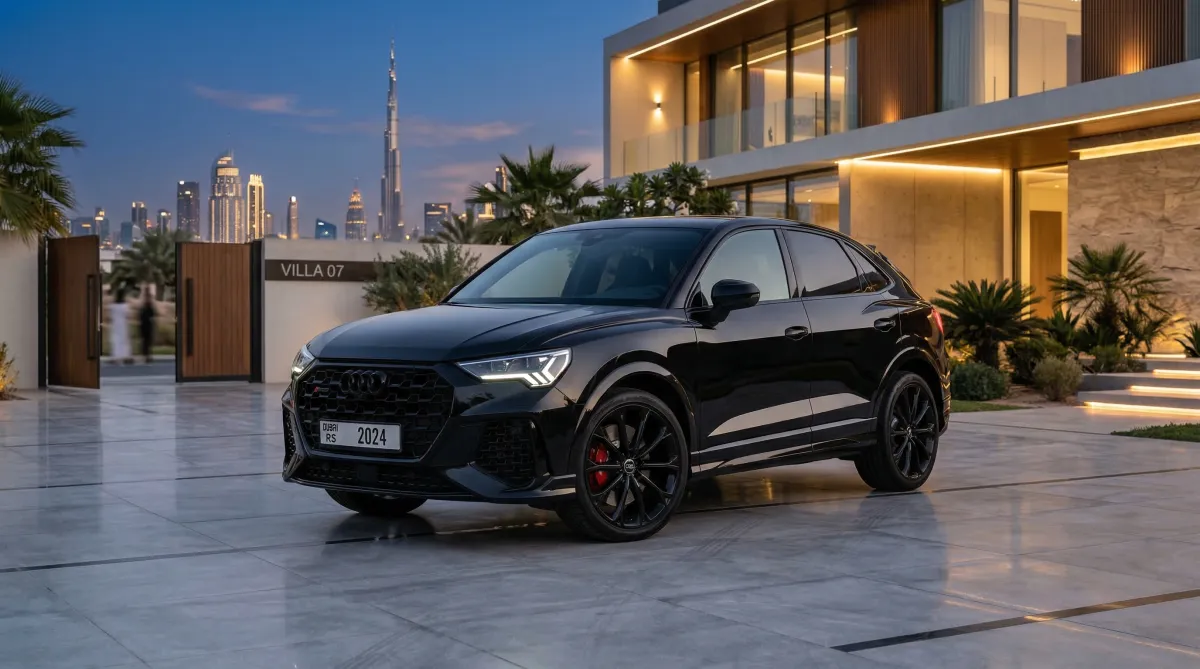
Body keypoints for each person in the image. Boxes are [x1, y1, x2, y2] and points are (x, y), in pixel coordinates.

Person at [108, 291, 132, 364]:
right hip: (123, 324)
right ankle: (126, 356)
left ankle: (116, 356)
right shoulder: (125, 306)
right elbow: (128, 315)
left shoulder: (112, 306)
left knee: (116, 340)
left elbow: (110, 316)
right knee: (124, 341)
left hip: (115, 325)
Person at [138, 288, 156, 364]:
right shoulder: (147, 305)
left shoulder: (145, 306)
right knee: (146, 341)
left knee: (146, 341)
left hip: (146, 325)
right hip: (147, 324)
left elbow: (141, 315)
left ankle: (146, 355)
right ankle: (147, 356)